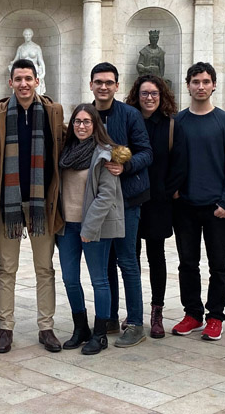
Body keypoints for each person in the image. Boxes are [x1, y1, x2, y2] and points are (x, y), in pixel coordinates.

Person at [0, 58, 65, 354]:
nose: (23, 84)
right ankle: (5, 327)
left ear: (37, 81)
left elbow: (65, 147)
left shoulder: (52, 112)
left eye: (28, 78)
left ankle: (46, 327)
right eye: (18, 79)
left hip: (41, 203)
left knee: (45, 268)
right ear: (10, 83)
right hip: (8, 203)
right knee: (7, 268)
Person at [172, 62, 225, 341]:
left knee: (219, 264)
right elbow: (171, 161)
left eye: (206, 81)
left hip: (216, 208)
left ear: (214, 85)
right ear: (187, 85)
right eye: (195, 81)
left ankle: (215, 317)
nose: (201, 86)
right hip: (185, 206)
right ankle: (193, 314)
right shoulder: (178, 121)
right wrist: (173, 191)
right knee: (187, 262)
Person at [89, 62, 152, 348]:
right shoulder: (84, 115)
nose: (104, 86)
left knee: (127, 261)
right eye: (98, 82)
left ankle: (136, 322)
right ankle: (110, 317)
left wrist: (124, 167)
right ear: (91, 85)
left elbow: (146, 153)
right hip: (97, 203)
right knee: (105, 264)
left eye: (109, 82)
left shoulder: (130, 115)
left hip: (127, 200)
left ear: (117, 85)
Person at [56, 104, 124, 355]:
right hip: (67, 227)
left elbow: (107, 195)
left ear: (95, 125)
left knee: (99, 280)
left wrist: (89, 226)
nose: (81, 126)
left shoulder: (105, 154)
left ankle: (100, 334)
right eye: (77, 121)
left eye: (86, 121)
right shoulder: (65, 152)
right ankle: (80, 328)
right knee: (70, 279)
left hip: (93, 228)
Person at [125, 74, 187, 338]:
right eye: (144, 94)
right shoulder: (128, 122)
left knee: (156, 257)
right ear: (136, 96)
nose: (149, 98)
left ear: (162, 96)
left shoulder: (171, 125)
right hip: (131, 199)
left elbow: (180, 163)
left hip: (158, 202)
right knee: (131, 258)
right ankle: (134, 310)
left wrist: (167, 191)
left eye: (154, 94)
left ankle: (157, 310)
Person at [8, 28, 47, 95]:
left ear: (32, 35)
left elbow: (41, 61)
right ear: (23, 35)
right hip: (22, 71)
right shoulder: (21, 48)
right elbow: (15, 60)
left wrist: (43, 73)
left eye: (29, 34)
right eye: (26, 35)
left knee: (36, 93)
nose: (27, 36)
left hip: (34, 70)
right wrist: (11, 66)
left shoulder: (36, 47)